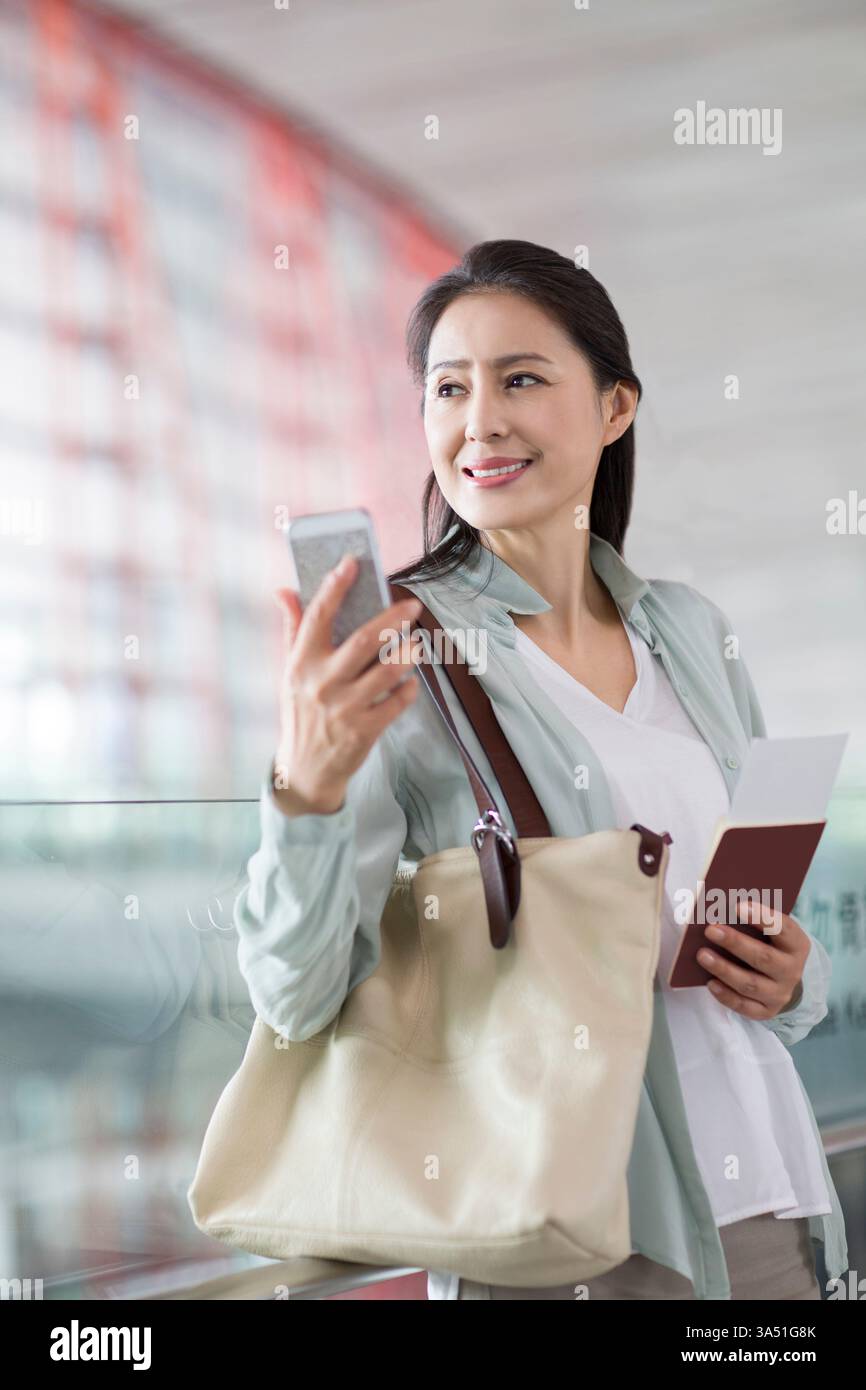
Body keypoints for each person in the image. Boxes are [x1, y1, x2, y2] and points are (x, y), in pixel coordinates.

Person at [238, 239, 847, 1301]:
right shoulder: (403, 655)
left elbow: (769, 952)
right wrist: (309, 787)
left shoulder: (691, 632)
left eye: (520, 378)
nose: (480, 421)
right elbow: (294, 994)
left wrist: (792, 976)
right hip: (577, 1237)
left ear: (614, 408)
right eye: (448, 388)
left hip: (773, 1210)